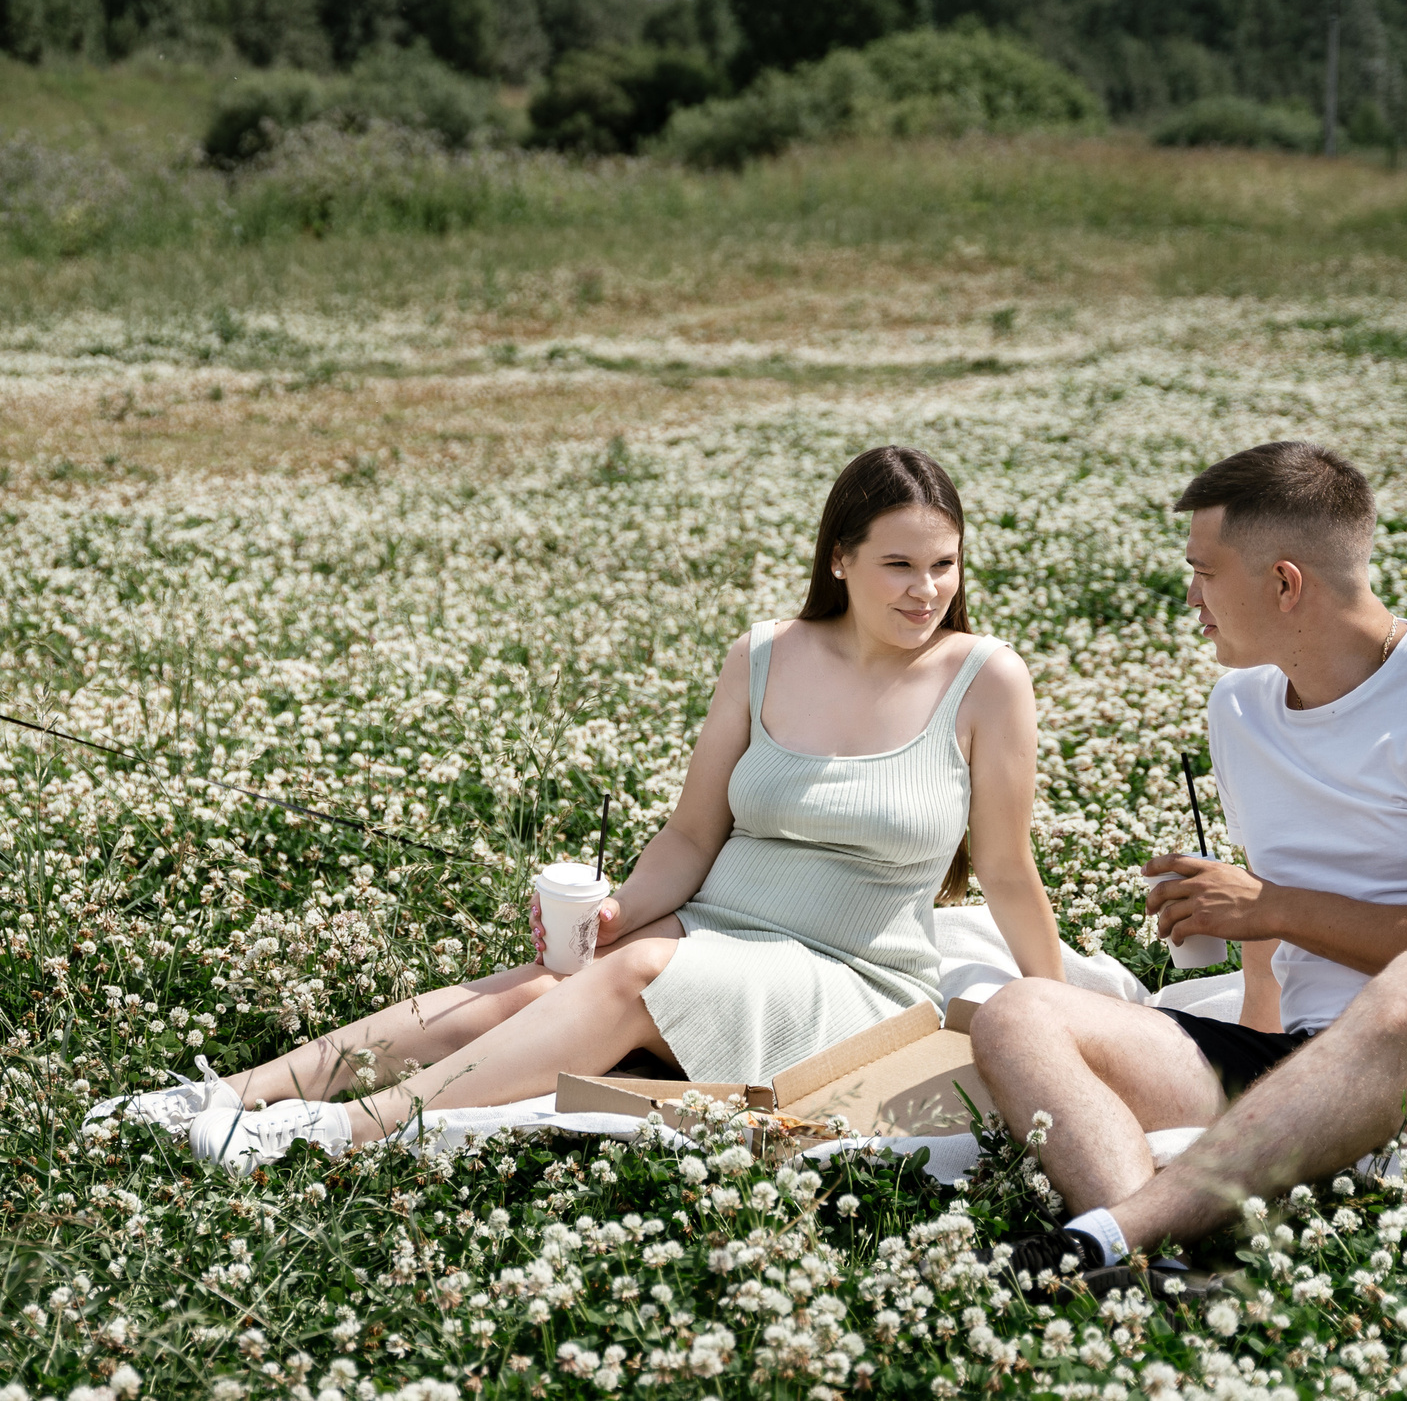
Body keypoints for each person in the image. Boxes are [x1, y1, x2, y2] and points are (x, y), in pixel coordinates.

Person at [89, 445, 1064, 1172]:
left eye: (945, 565)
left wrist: (1054, 1005)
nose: (927, 590)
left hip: (852, 977)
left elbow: (1008, 870)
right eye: (900, 565)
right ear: (841, 560)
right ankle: (217, 1097)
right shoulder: (764, 654)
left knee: (635, 974)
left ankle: (329, 1135)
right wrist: (616, 913)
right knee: (531, 990)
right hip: (716, 927)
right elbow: (691, 833)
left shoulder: (984, 679)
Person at [971, 441, 1407, 1291]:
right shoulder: (1240, 705)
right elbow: (1267, 920)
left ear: (1285, 583)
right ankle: (1157, 1273)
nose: (1191, 597)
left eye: (1205, 572)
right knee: (1018, 1013)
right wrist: (1263, 978)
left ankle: (1110, 1234)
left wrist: (1274, 906)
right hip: (1316, 1065)